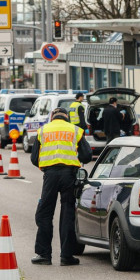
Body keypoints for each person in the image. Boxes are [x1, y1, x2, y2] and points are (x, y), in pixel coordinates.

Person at [30, 107, 92, 266]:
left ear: (52, 117)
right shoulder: (75, 130)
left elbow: (34, 158)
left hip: (50, 176)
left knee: (44, 214)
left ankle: (44, 255)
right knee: (68, 214)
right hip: (69, 176)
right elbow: (87, 155)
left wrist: (46, 165)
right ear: (66, 117)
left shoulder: (43, 131)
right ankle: (66, 256)